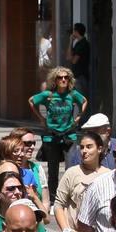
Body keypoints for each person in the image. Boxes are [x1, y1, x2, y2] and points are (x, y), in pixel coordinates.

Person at [54, 130, 107, 232]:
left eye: (89, 147)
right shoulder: (72, 173)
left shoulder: (109, 175)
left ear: (100, 149)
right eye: (82, 147)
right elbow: (58, 204)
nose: (84, 151)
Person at [29, 66, 87, 202]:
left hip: (69, 136)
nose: (63, 80)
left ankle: (69, 198)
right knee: (53, 171)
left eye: (66, 77)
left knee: (71, 169)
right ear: (54, 80)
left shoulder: (72, 94)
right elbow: (31, 101)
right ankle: (54, 199)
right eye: (60, 77)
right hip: (52, 137)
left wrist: (78, 117)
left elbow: (84, 101)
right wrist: (41, 118)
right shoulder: (48, 95)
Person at [68, 24, 91, 99]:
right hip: (77, 76)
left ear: (76, 31)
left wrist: (71, 57)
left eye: (73, 30)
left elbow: (74, 60)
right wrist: (71, 42)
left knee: (81, 100)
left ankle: (83, 111)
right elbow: (68, 56)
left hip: (80, 76)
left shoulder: (83, 44)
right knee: (76, 99)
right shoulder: (78, 43)